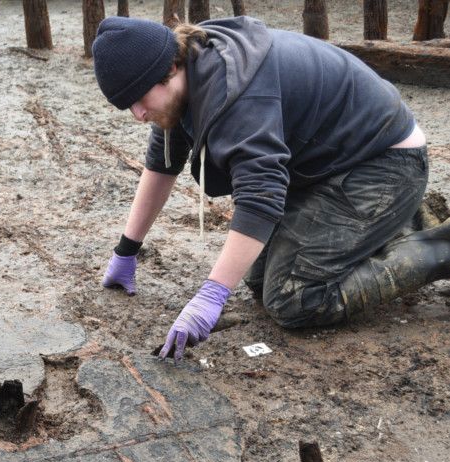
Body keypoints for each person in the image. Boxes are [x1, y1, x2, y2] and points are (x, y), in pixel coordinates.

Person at [91, 16, 438, 361]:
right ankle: (391, 224)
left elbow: (260, 197)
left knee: (294, 298)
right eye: (127, 105)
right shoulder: (187, 73)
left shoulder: (236, 93)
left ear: (169, 67)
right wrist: (126, 249)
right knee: (259, 280)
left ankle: (437, 246)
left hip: (384, 164)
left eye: (139, 98)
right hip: (329, 163)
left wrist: (211, 295)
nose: (137, 114)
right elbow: (161, 165)